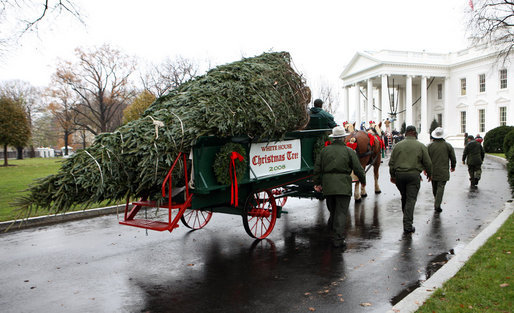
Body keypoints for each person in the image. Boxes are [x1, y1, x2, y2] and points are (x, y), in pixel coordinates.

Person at [313, 126, 366, 249]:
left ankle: (331, 232)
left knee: (333, 211)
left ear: (333, 138)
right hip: (343, 185)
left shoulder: (324, 151)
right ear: (343, 138)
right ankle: (338, 240)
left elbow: (317, 168)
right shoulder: (349, 151)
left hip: (328, 186)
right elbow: (358, 169)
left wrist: (317, 183)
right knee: (341, 213)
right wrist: (363, 181)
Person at [389, 125, 432, 234]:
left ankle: (406, 219)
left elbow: (392, 163)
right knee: (411, 200)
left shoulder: (397, 146)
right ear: (414, 133)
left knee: (405, 197)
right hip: (413, 175)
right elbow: (428, 162)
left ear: (406, 133)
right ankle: (407, 225)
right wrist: (430, 174)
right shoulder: (421, 146)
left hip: (399, 175)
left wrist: (392, 175)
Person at [427, 127, 456, 213]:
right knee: (441, 187)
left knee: (434, 187)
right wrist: (453, 166)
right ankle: (437, 204)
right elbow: (453, 158)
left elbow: (425, 158)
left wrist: (425, 169)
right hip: (443, 170)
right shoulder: (448, 146)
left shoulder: (430, 146)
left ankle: (437, 201)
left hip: (432, 170)